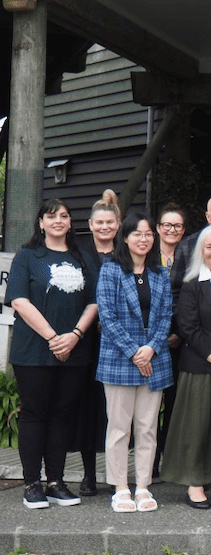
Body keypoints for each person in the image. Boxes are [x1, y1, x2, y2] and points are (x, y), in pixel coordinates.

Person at [8, 199, 97, 510]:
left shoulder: (82, 258)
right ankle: (32, 482)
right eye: (51, 216)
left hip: (75, 351)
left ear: (70, 223)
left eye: (64, 215)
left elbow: (94, 302)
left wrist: (74, 336)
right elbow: (19, 300)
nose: (58, 220)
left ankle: (56, 482)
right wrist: (53, 337)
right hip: (33, 351)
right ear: (41, 223)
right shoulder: (28, 257)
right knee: (35, 414)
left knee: (62, 416)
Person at [96, 212, 174, 513]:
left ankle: (143, 486)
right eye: (137, 233)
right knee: (118, 428)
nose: (143, 239)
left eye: (148, 234)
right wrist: (135, 351)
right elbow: (108, 317)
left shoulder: (160, 273)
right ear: (125, 237)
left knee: (147, 428)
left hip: (154, 361)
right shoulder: (110, 271)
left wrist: (150, 349)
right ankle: (120, 488)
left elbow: (167, 316)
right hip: (119, 359)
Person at [161, 225, 211, 510]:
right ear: (200, 252)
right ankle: (195, 483)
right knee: (198, 428)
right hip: (201, 366)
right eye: (209, 247)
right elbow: (188, 326)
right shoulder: (192, 283)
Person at [74, 191, 121, 497]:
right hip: (87, 342)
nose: (104, 227)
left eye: (110, 222)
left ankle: (117, 475)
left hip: (118, 343)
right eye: (99, 222)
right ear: (90, 224)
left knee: (115, 411)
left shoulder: (126, 254)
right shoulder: (78, 254)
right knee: (87, 409)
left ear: (118, 224)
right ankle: (89, 474)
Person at [157, 204, 186, 270]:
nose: (172, 230)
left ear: (183, 230)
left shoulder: (189, 256)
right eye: (167, 225)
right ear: (158, 228)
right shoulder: (148, 255)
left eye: (178, 226)